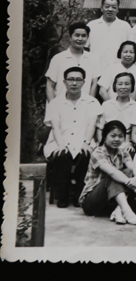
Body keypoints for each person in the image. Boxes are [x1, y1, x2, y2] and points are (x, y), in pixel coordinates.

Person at [43, 66, 101, 207]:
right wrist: (61, 144)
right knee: (61, 155)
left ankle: (78, 195)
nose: (74, 83)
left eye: (78, 80)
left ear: (84, 82)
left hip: (83, 139)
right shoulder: (55, 103)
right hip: (59, 140)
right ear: (64, 82)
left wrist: (86, 142)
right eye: (71, 79)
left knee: (85, 154)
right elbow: (55, 127)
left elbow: (91, 125)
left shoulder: (92, 102)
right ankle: (62, 196)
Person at [78, 120, 136, 225]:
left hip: (110, 201)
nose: (117, 139)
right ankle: (127, 212)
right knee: (113, 177)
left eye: (120, 136)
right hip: (92, 202)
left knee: (128, 171)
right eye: (113, 136)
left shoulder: (123, 152)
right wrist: (134, 187)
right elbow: (112, 172)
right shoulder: (97, 153)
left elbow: (132, 167)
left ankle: (118, 210)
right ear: (104, 136)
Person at [45, 22, 98, 102]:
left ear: (87, 38)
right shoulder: (58, 58)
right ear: (70, 37)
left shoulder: (93, 59)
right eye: (77, 35)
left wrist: (90, 103)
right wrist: (53, 105)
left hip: (84, 105)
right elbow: (50, 85)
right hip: (61, 104)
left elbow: (94, 84)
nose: (80, 39)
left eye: (84, 36)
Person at [86, 0, 132, 73]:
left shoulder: (125, 26)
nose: (110, 9)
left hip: (118, 69)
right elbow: (85, 48)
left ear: (118, 9)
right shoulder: (91, 25)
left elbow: (130, 49)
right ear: (101, 8)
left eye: (114, 7)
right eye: (107, 6)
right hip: (95, 69)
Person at [97, 72, 136, 154]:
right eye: (120, 84)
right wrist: (101, 144)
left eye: (127, 84)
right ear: (115, 86)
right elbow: (100, 128)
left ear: (132, 87)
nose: (123, 87)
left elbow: (135, 132)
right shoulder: (106, 105)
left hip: (126, 145)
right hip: (107, 143)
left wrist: (130, 144)